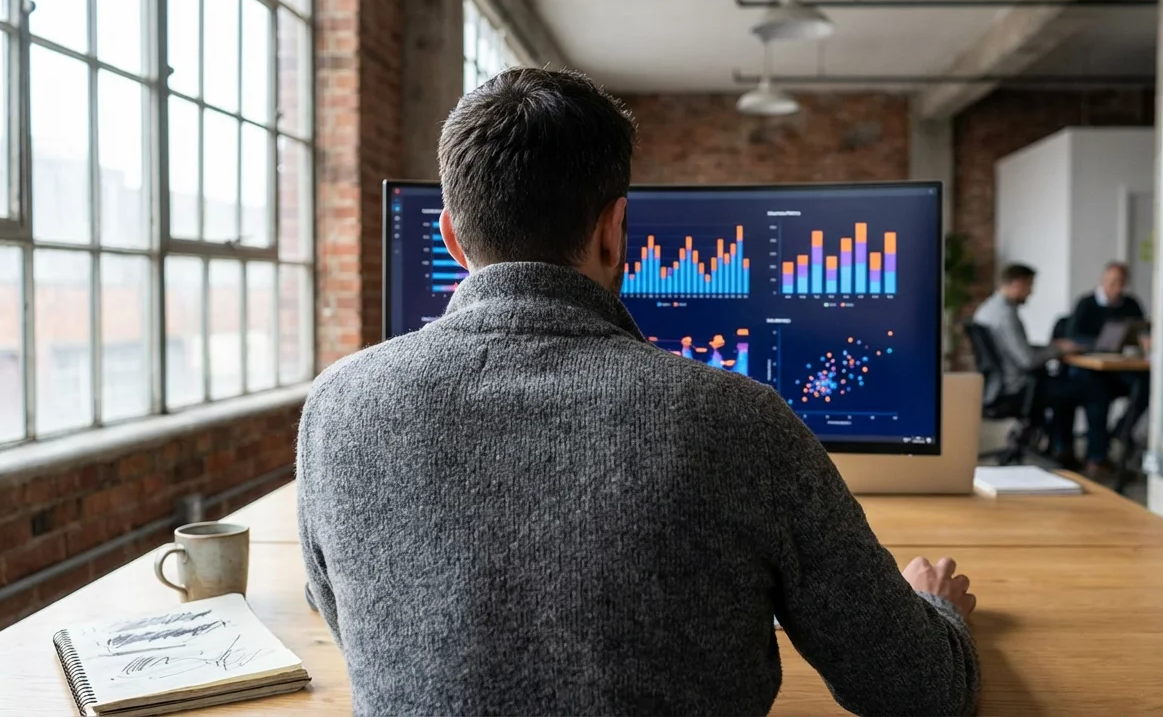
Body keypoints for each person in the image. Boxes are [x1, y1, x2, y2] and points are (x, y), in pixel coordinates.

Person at [296, 68, 980, 716]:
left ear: (449, 235)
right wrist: (936, 607)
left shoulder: (335, 407)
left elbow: (347, 617)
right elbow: (920, 692)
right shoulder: (739, 420)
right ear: (613, 230)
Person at [973, 264, 1112, 474]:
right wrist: (1058, 349)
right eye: (1029, 286)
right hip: (1019, 388)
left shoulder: (987, 309)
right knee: (1092, 390)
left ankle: (1062, 449)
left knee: (1068, 387)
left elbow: (1016, 350)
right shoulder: (1005, 315)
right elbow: (1027, 360)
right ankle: (1095, 458)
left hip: (1000, 387)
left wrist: (1051, 347)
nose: (1031, 293)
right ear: (1018, 284)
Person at [1066, 262, 1150, 459]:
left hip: (1119, 367)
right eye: (1111, 282)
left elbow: (1141, 331)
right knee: (1097, 395)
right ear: (1103, 280)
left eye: (1120, 282)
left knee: (1145, 385)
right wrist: (1102, 343)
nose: (1115, 287)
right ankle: (1097, 456)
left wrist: (1144, 340)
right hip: (1091, 369)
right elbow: (1073, 336)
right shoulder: (1086, 303)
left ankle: (1122, 430)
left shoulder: (1131, 304)